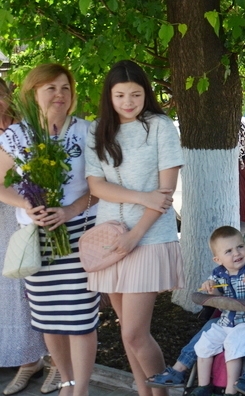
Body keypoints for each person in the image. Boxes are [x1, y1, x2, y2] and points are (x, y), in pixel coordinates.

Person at [84, 60, 184, 396]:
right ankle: (146, 392)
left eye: (136, 94)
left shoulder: (160, 126)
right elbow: (97, 185)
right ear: (109, 96)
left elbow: (165, 192)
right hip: (111, 237)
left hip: (149, 237)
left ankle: (163, 391)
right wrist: (141, 196)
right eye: (120, 95)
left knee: (134, 333)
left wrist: (136, 234)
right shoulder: (98, 129)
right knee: (128, 329)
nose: (128, 101)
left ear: (146, 94)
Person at [0, 64, 99, 396]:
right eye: (51, 88)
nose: (60, 95)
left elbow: (104, 186)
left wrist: (69, 209)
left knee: (80, 320)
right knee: (48, 320)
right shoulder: (15, 136)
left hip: (80, 235)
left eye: (65, 88)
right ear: (32, 94)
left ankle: (80, 389)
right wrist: (27, 205)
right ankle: (66, 383)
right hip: (38, 241)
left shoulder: (88, 131)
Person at [0, 77, 51, 395]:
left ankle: (48, 359)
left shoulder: (20, 131)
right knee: (6, 292)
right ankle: (26, 360)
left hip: (21, 215)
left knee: (27, 287)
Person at [190, 226, 245, 396]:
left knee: (233, 344)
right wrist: (211, 289)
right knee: (204, 344)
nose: (236, 253)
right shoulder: (218, 274)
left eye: (240, 247)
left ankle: (230, 391)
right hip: (226, 321)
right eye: (228, 251)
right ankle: (203, 386)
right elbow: (216, 297)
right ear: (218, 259)